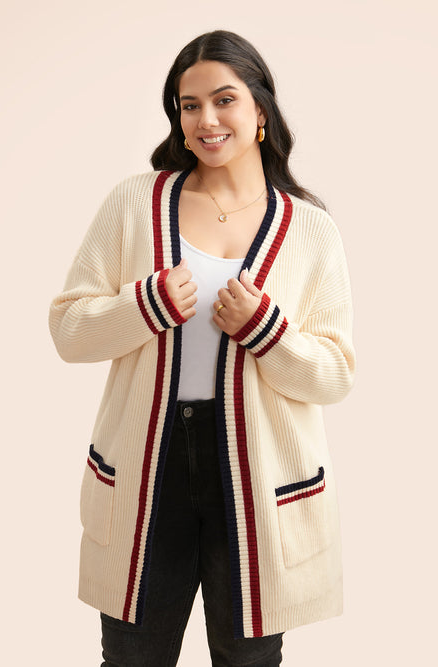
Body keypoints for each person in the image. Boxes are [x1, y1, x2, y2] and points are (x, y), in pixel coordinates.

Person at [48, 29, 356, 667]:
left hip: (258, 475)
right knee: (132, 657)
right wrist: (147, 304)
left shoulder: (310, 229)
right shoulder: (136, 203)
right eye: (190, 105)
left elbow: (334, 375)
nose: (207, 120)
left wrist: (264, 329)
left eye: (225, 100)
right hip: (148, 461)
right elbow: (69, 330)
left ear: (261, 109)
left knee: (249, 660)